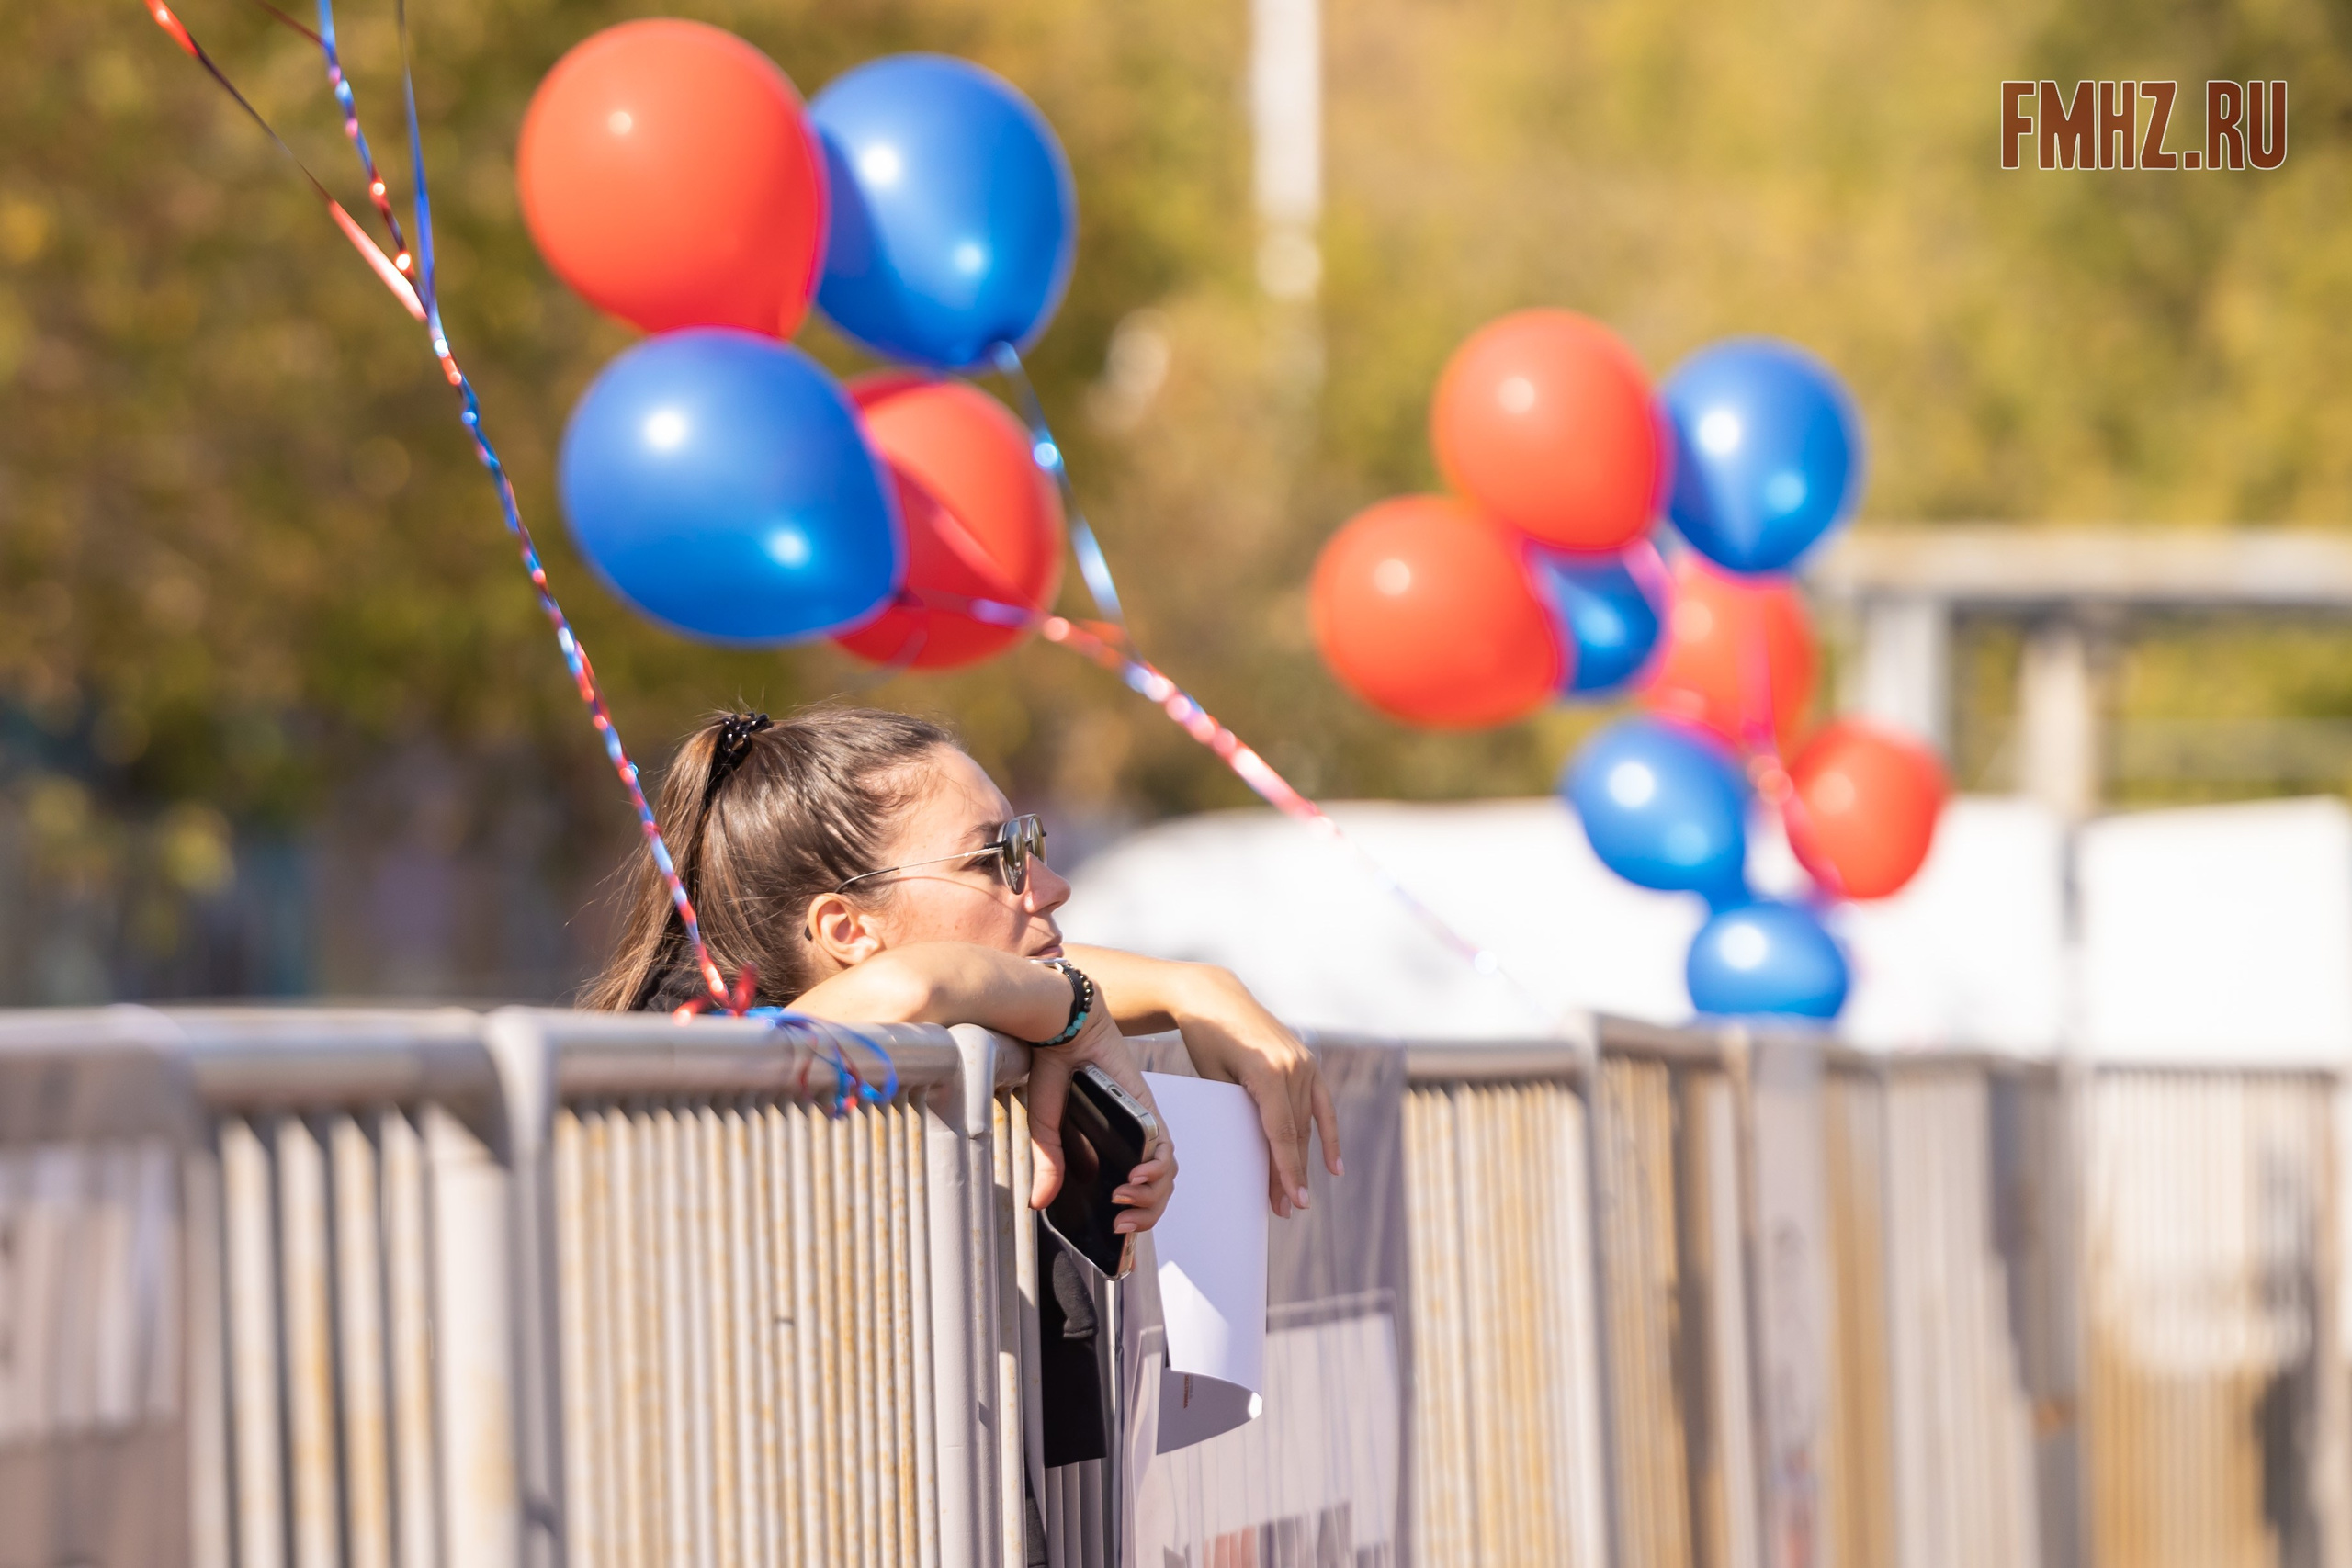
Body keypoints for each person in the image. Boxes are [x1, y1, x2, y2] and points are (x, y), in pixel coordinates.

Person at [586, 706, 1342, 1235]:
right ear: (847, 929)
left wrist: (1193, 987)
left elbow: (965, 974)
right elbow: (913, 984)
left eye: (1030, 840)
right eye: (994, 858)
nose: (1050, 886)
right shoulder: (701, 1050)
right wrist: (1071, 1007)